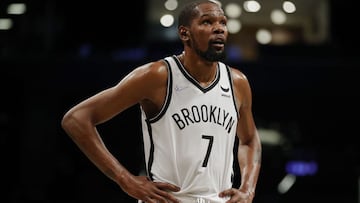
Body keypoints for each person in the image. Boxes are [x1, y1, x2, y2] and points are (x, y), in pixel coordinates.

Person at [61, 0, 262, 202]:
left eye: (223, 23)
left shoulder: (237, 82)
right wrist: (125, 179)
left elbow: (250, 140)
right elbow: (77, 119)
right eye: (207, 22)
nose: (218, 28)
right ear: (185, 34)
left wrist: (248, 189)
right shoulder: (157, 76)